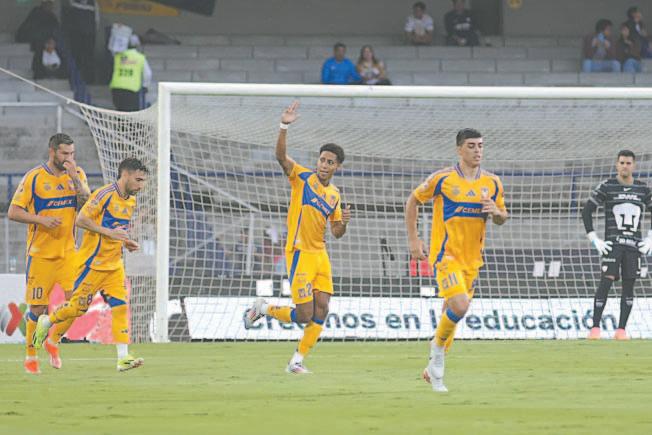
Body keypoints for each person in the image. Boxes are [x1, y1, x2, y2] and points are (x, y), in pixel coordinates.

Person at [244, 101, 352, 374]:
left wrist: (344, 223)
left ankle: (297, 361)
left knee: (322, 309)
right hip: (300, 253)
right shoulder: (302, 178)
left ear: (337, 166)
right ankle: (264, 308)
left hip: (320, 255)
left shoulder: (335, 195)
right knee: (304, 315)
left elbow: (336, 233)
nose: (324, 165)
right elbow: (281, 157)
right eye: (322, 159)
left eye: (330, 162)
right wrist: (284, 126)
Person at [405, 128, 508, 392]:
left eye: (480, 145)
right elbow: (413, 201)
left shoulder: (492, 182)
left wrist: (496, 212)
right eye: (471, 146)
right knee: (460, 306)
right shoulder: (443, 179)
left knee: (450, 315)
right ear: (459, 149)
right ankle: (437, 350)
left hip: (472, 261)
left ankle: (432, 369)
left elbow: (502, 217)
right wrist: (414, 241)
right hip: (446, 256)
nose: (477, 150)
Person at [33, 158, 149, 372]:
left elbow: (116, 229)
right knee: (77, 309)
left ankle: (123, 358)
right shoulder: (104, 195)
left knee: (121, 307)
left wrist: (126, 241)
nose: (141, 186)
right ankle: (47, 322)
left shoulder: (131, 200)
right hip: (92, 264)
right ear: (125, 175)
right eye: (138, 180)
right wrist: (110, 233)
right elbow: (81, 220)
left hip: (114, 265)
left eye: (143, 181)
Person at [7, 133, 90, 374]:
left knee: (78, 304)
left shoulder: (77, 174)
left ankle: (53, 341)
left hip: (69, 253)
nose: (69, 158)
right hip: (40, 255)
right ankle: (31, 356)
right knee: (37, 310)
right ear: (52, 152)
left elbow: (87, 202)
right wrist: (40, 219)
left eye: (72, 154)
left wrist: (75, 178)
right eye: (64, 153)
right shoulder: (34, 177)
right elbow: (13, 212)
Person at [581, 150, 652, 340]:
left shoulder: (643, 189)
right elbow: (587, 211)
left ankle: (621, 330)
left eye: (628, 163)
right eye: (622, 163)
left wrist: (650, 238)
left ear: (634, 165)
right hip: (613, 245)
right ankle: (595, 328)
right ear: (616, 164)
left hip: (634, 247)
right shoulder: (607, 186)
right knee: (606, 282)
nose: (625, 166)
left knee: (629, 285)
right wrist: (594, 238)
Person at [109, 35, 152, 111]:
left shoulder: (117, 55)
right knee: (130, 113)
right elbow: (148, 74)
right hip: (132, 89)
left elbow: (111, 47)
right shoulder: (140, 57)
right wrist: (145, 86)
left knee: (119, 111)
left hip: (117, 88)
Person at [61, 0, 97, 83]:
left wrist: (92, 32)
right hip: (76, 35)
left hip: (89, 35)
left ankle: (89, 80)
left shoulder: (94, 3)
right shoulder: (72, 2)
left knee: (88, 58)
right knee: (76, 57)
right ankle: (76, 79)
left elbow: (96, 20)